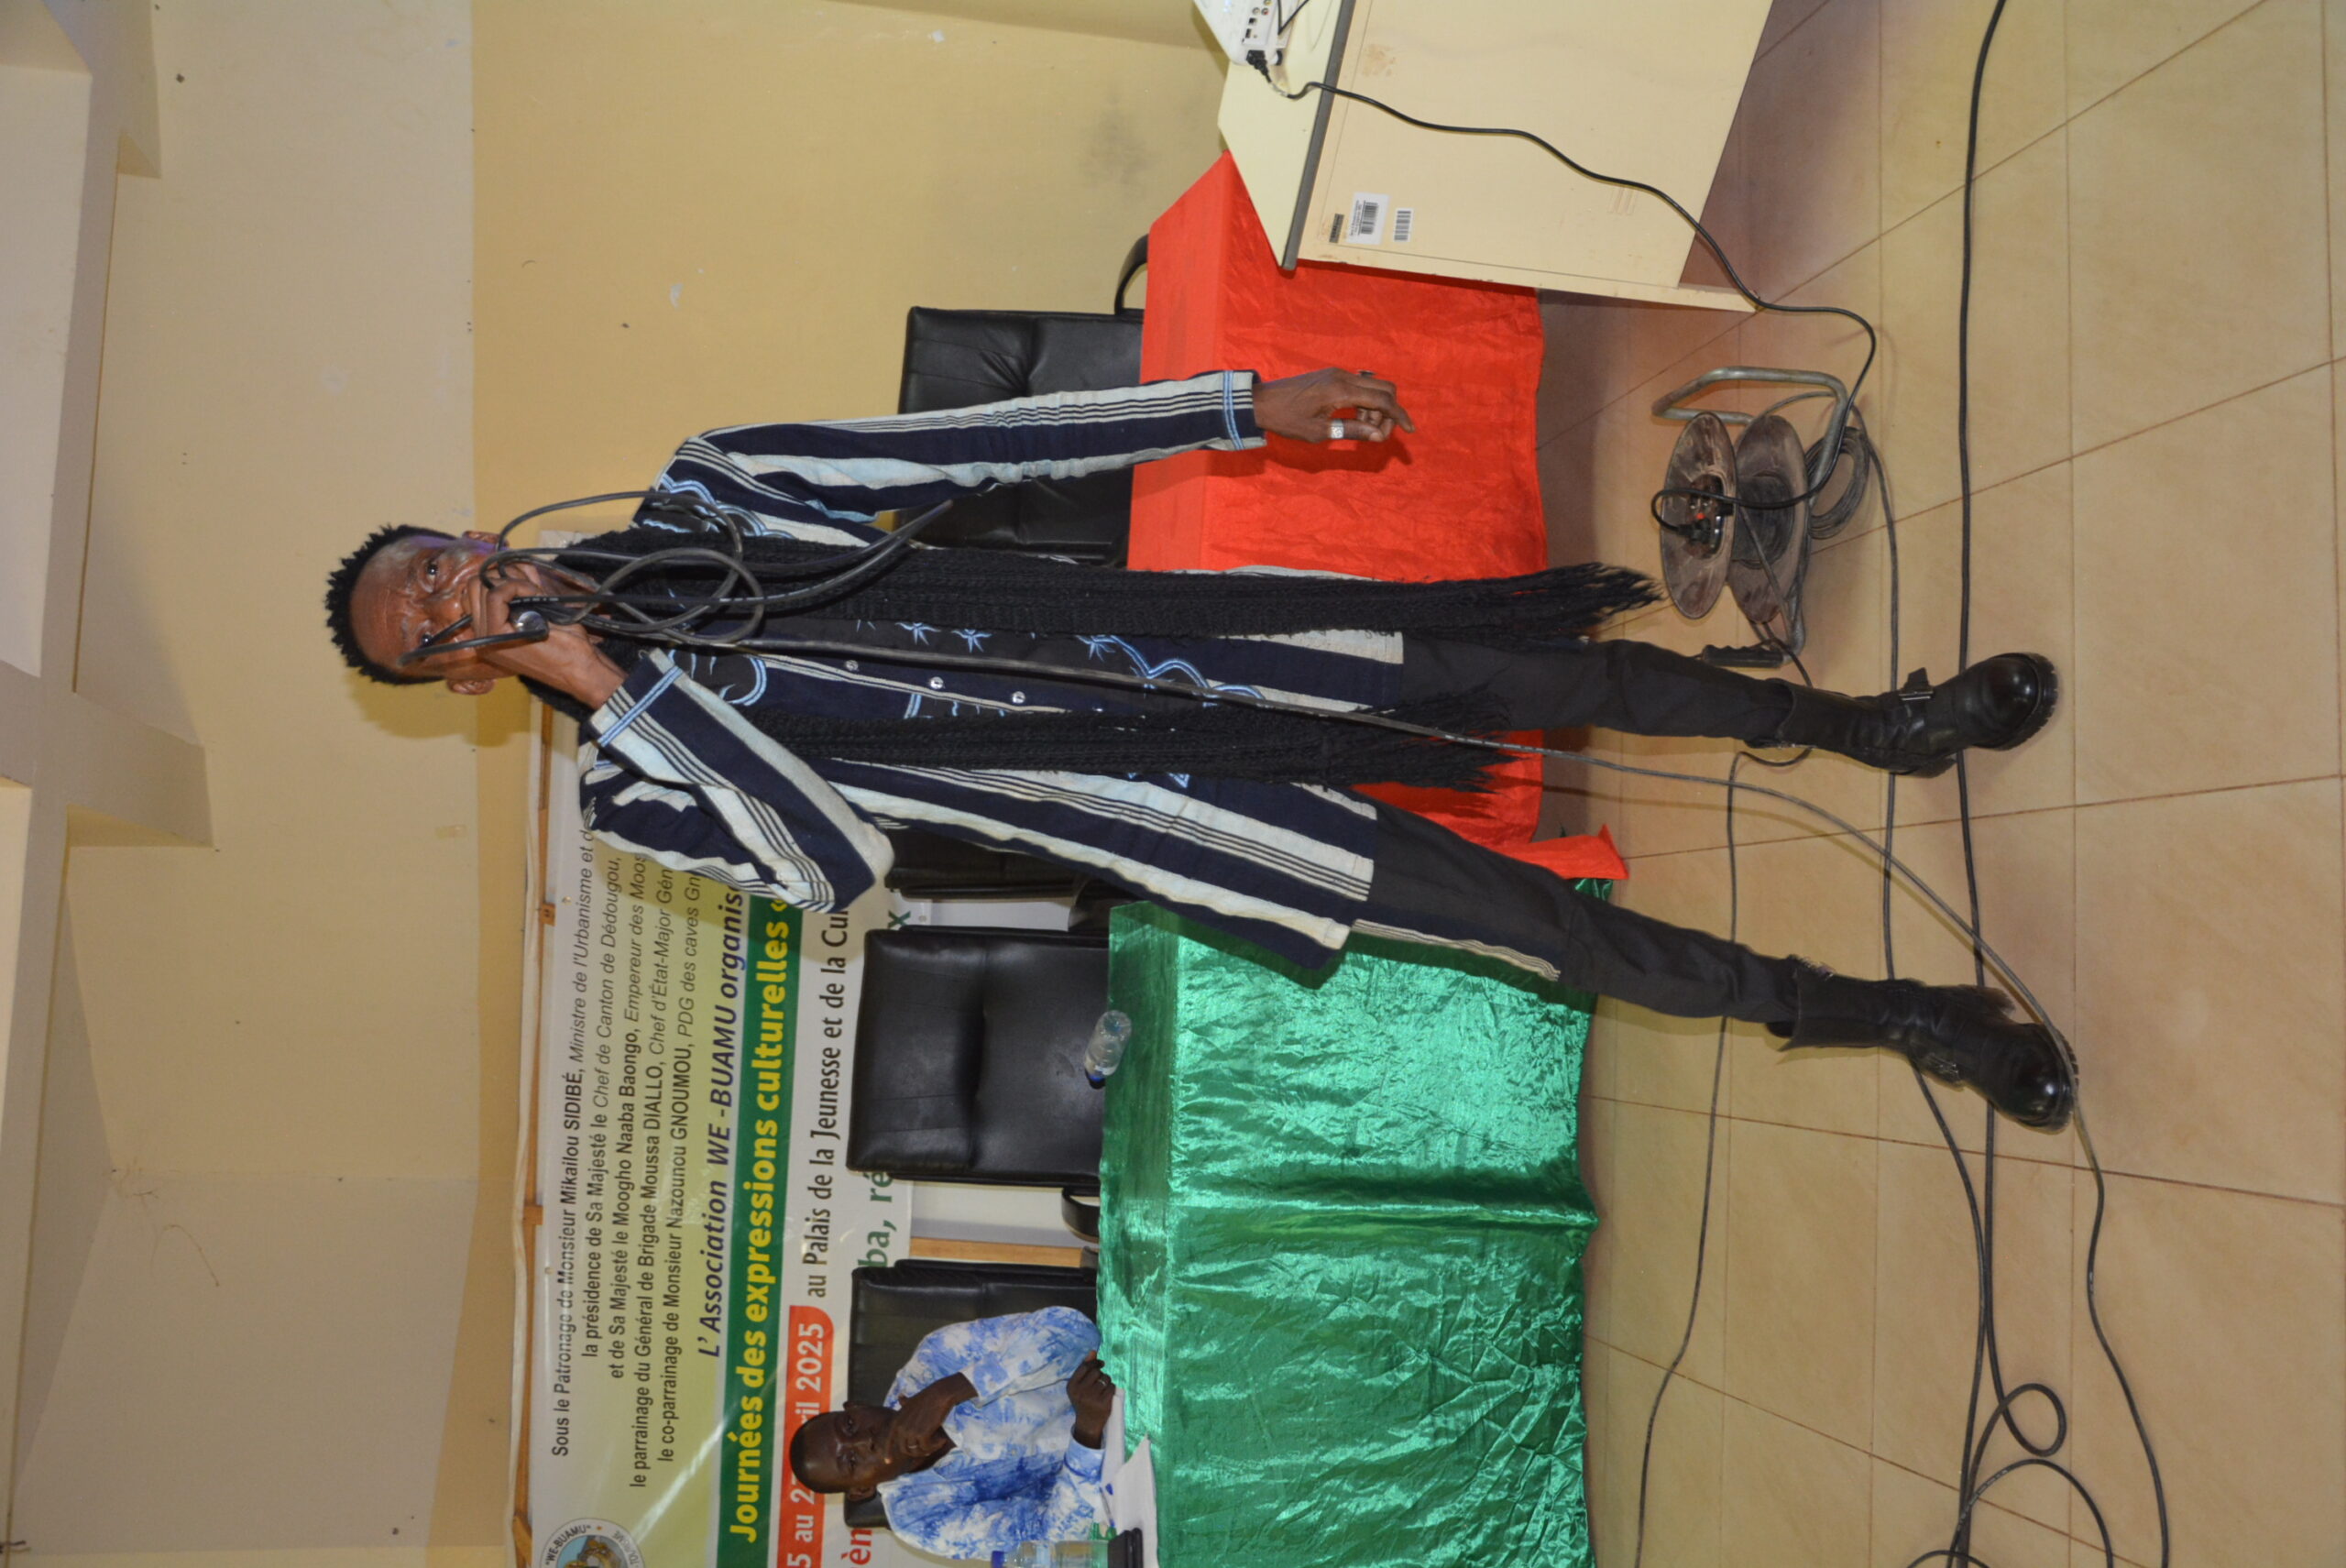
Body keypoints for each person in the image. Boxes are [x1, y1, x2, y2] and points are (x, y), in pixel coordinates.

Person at [323, 367, 2072, 1128]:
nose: (459, 600)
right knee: (1548, 935)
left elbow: (979, 446)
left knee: (1577, 681)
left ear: (472, 533)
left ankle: (1874, 724)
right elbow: (840, 865)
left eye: (437, 569)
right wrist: (629, 693)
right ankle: (1896, 1018)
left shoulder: (719, 489)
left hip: (1210, 645)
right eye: (433, 630)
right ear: (464, 684)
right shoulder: (634, 790)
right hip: (1179, 815)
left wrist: (1239, 406)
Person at [786, 1306, 1117, 1559]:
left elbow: (1074, 1328)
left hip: (1124, 1387)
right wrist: (1086, 1433)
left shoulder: (936, 1359)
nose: (865, 1440)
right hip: (1122, 1487)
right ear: (861, 1490)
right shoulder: (918, 1520)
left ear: (857, 1405)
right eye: (851, 1461)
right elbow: (1054, 1545)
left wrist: (953, 1389)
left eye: (849, 1426)